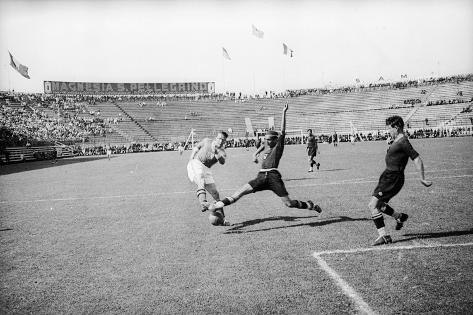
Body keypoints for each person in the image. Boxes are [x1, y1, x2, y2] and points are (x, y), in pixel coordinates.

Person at [208, 103, 322, 215]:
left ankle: (309, 205)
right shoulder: (267, 145)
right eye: (266, 139)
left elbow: (282, 130)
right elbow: (262, 146)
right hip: (261, 176)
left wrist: (283, 112)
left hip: (273, 176)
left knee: (289, 203)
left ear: (275, 140)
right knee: (239, 193)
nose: (266, 141)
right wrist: (255, 154)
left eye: (269, 139)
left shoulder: (278, 146)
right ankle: (217, 205)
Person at [369, 115, 432, 246]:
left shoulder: (403, 141)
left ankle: (384, 236)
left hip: (393, 178)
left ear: (396, 127)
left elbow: (417, 158)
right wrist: (391, 144)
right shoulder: (397, 139)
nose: (388, 131)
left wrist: (422, 178)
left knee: (373, 205)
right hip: (388, 176)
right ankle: (399, 217)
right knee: (380, 205)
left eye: (390, 129)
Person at [187, 131, 230, 226]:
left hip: (207, 169)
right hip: (196, 163)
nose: (220, 141)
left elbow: (222, 162)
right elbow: (197, 147)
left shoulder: (222, 151)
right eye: (219, 138)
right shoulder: (207, 141)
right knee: (200, 179)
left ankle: (223, 219)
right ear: (216, 138)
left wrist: (216, 153)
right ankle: (203, 203)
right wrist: (191, 158)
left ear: (225, 142)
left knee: (216, 193)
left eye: (223, 140)